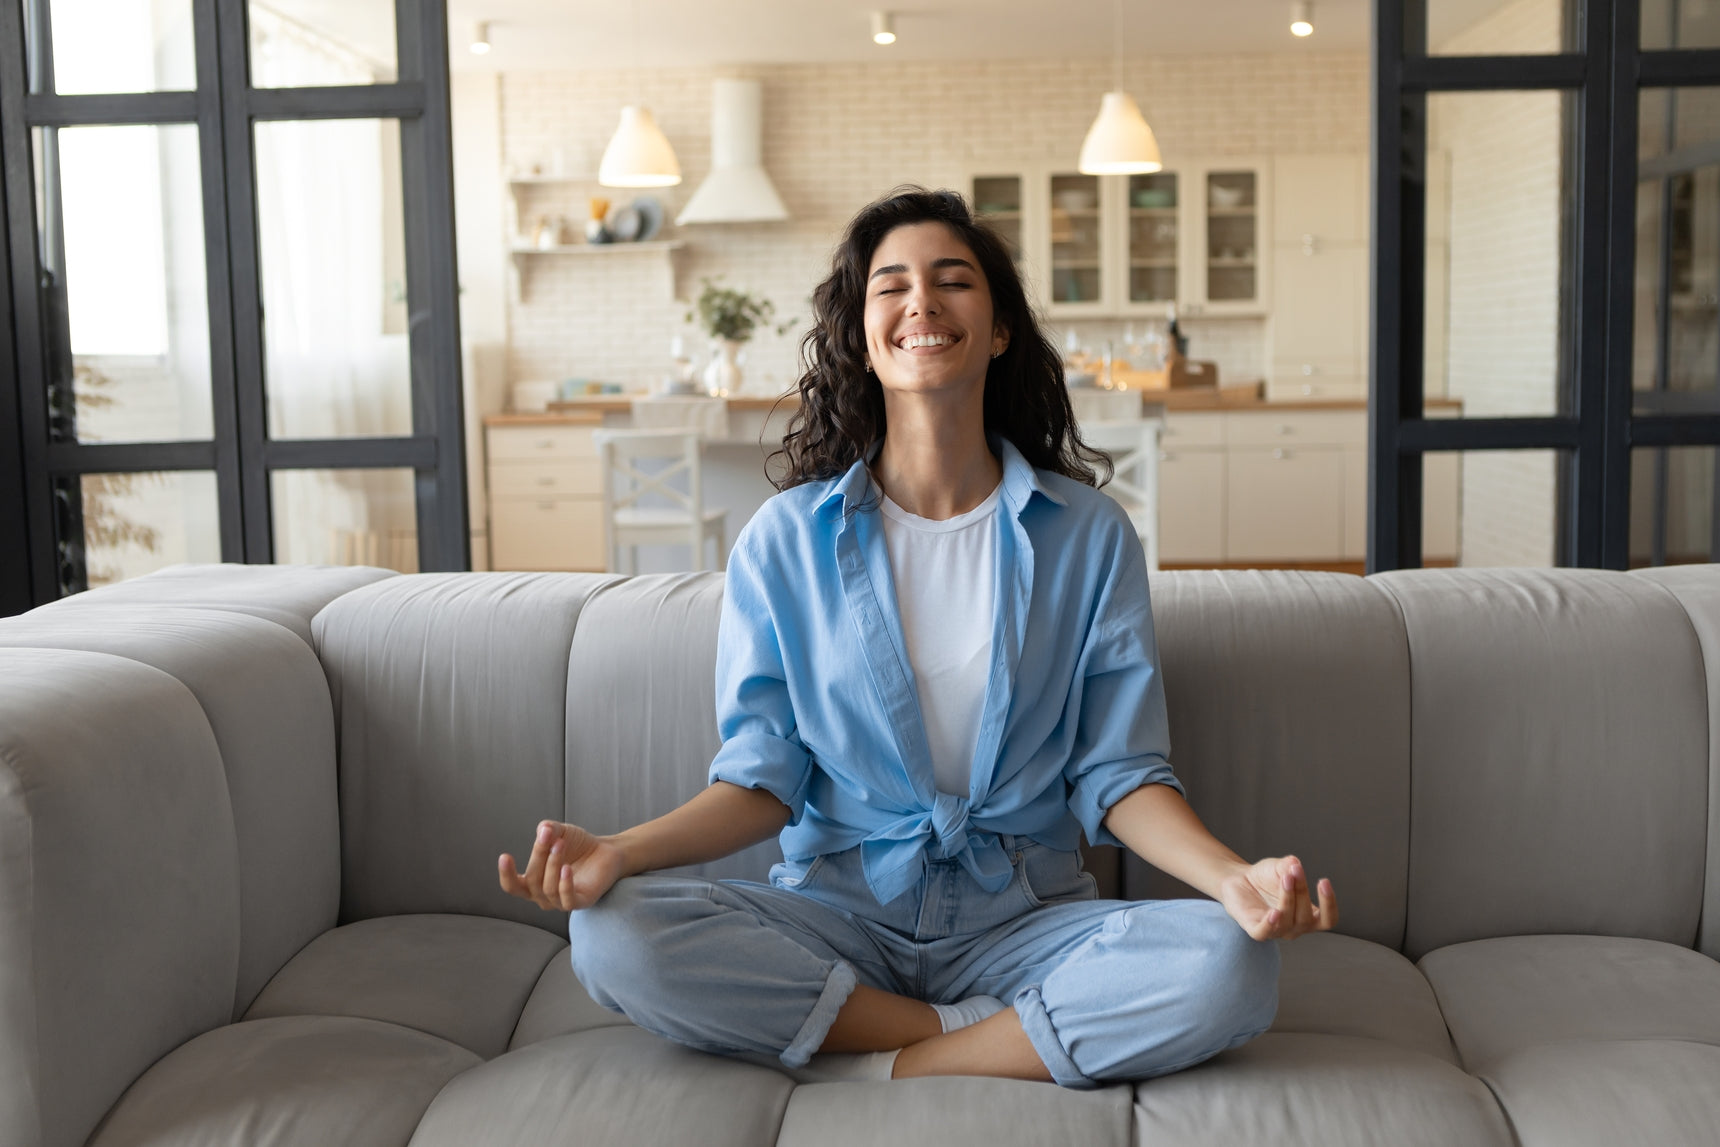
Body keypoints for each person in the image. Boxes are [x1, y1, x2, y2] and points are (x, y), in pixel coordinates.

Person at [498, 186, 1337, 1088]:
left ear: (1001, 327)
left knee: (1233, 962)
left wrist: (1230, 878)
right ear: (864, 334)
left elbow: (1120, 773)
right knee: (614, 933)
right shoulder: (785, 540)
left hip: (1028, 918)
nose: (922, 303)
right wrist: (620, 851)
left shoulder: (1089, 535)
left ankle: (883, 1059)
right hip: (837, 915)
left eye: (953, 280)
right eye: (890, 285)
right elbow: (760, 779)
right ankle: (971, 1036)